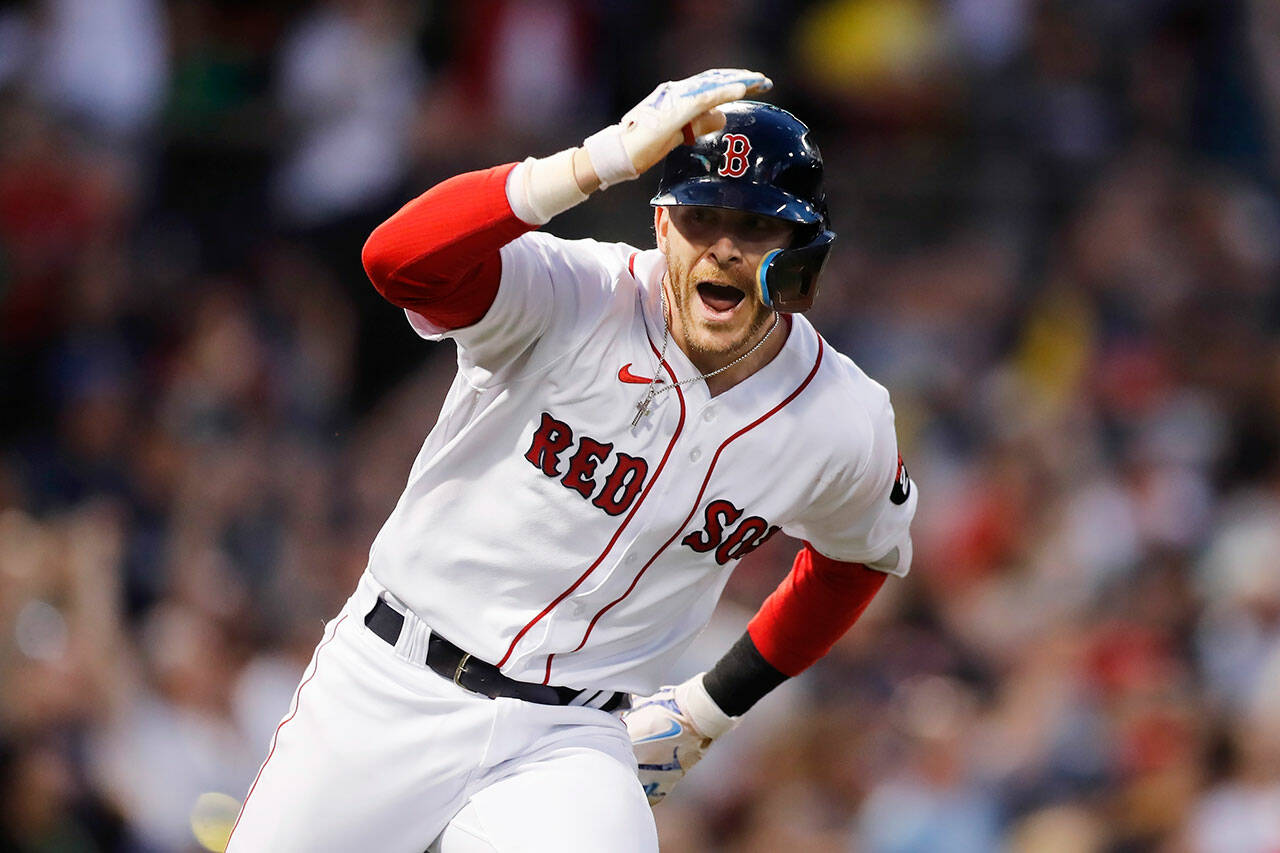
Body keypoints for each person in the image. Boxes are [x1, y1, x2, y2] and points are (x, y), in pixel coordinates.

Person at [227, 68, 916, 852]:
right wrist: (596, 161)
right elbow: (398, 260)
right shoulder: (575, 292)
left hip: (569, 737)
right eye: (701, 217)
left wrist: (713, 703)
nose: (723, 246)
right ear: (660, 227)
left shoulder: (842, 419)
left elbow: (857, 558)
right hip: (392, 683)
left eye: (757, 225)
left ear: (803, 251)